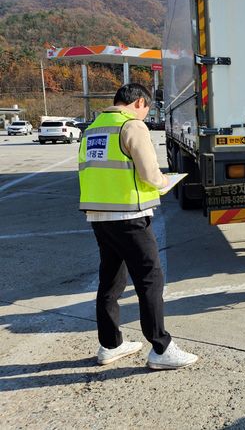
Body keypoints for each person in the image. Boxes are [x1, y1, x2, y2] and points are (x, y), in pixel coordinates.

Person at [79, 83, 197, 369]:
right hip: (128, 216)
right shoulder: (131, 126)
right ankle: (162, 348)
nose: (146, 115)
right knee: (150, 280)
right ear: (140, 103)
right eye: (147, 109)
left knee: (111, 280)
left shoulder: (93, 128)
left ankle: (110, 344)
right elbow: (148, 173)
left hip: (98, 216)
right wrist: (164, 181)